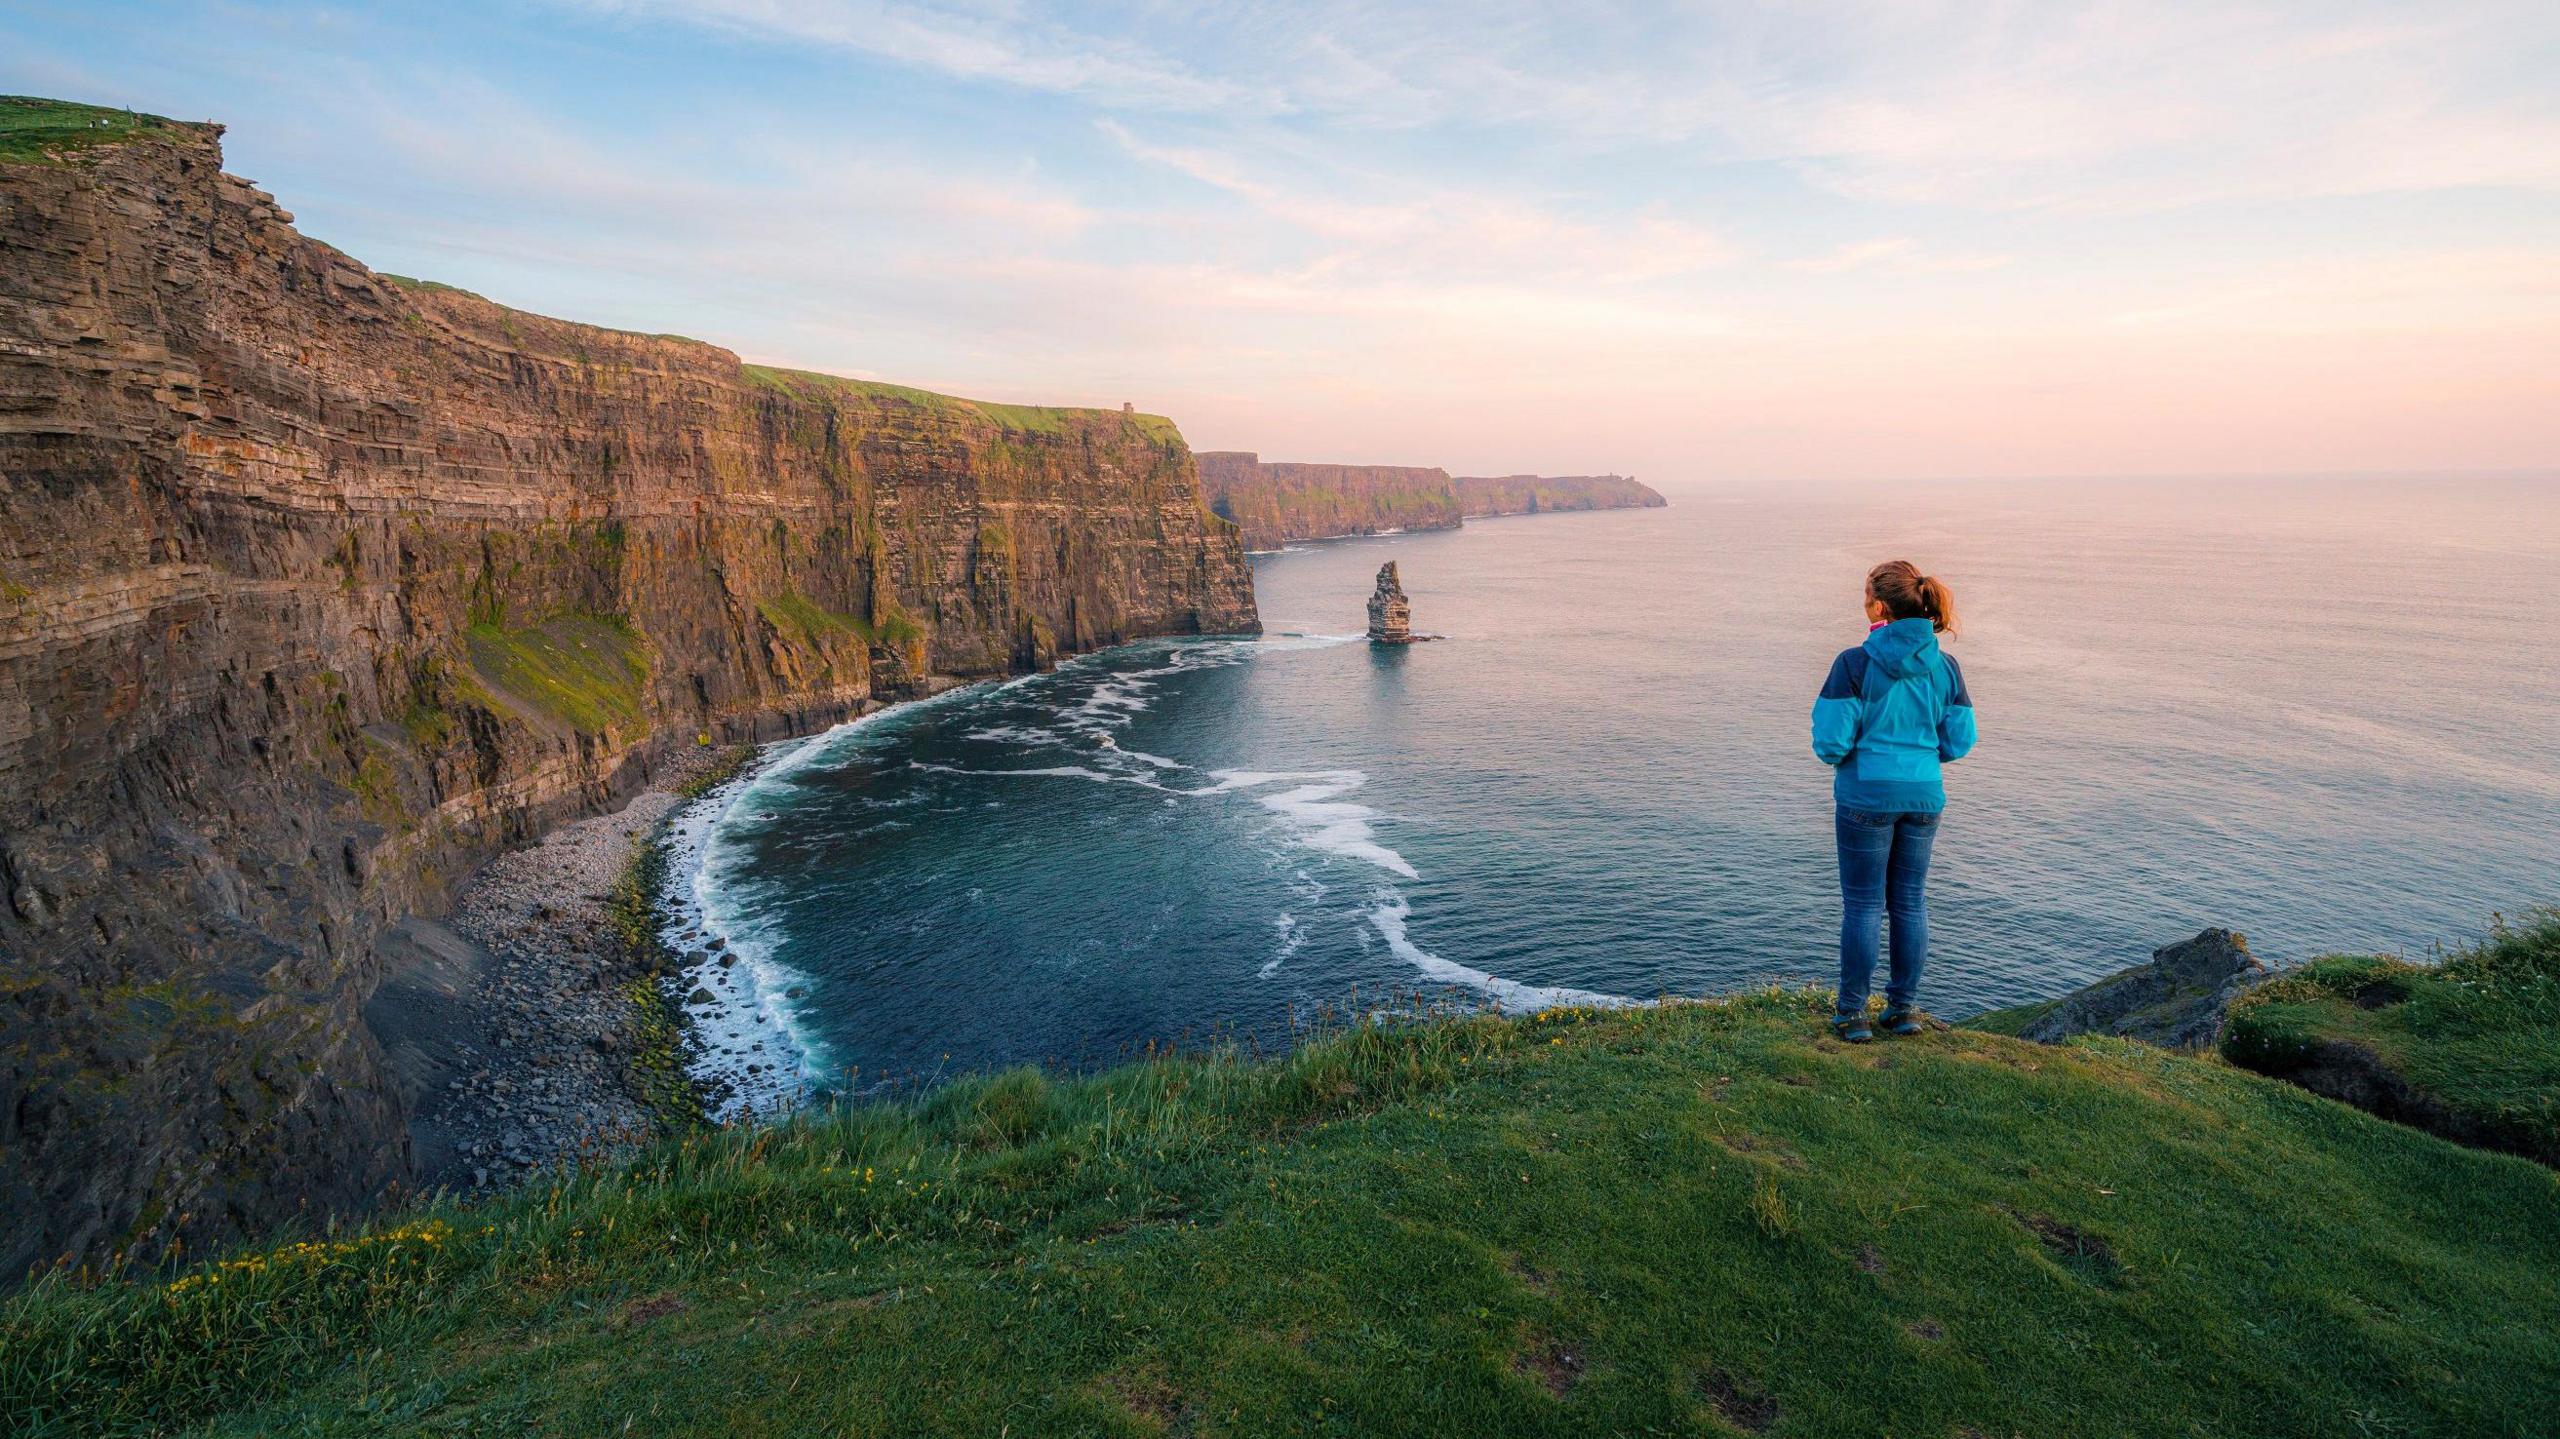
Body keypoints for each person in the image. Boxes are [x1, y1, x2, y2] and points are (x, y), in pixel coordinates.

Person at [1810, 561, 1975, 1042]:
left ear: (1879, 606)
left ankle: (1852, 1014)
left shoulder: (1854, 663)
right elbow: (1960, 740)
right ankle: (1902, 1010)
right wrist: (1922, 756)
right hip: (1924, 796)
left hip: (1866, 794)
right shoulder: (1945, 666)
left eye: (1864, 596)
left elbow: (1831, 744)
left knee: (1862, 905)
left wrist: (1863, 753)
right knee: (1909, 902)